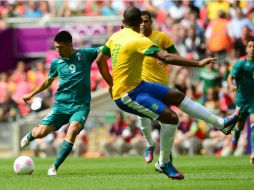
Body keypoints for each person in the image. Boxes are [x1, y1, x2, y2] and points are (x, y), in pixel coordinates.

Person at [96, 6, 240, 180]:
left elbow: (100, 60)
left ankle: (220, 123)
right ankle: (163, 162)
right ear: (140, 22)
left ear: (123, 22)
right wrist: (198, 63)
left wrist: (111, 83)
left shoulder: (115, 36)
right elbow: (166, 57)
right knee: (171, 117)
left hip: (139, 86)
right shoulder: (139, 39)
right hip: (128, 95)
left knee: (177, 96)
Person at [20, 31, 99, 176]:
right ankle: (31, 135)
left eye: (61, 48)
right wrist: (31, 94)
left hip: (80, 106)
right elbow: (47, 81)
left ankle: (53, 167)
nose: (58, 51)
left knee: (73, 128)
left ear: (70, 44)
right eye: (56, 48)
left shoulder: (85, 54)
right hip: (61, 105)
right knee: (41, 132)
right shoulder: (56, 63)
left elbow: (106, 49)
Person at [137, 10, 179, 164]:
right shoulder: (135, 39)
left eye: (146, 21)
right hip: (142, 86)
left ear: (151, 22)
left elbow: (176, 55)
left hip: (161, 87)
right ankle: (149, 145)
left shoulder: (161, 37)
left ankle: (166, 157)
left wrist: (168, 60)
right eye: (140, 21)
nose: (143, 24)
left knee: (166, 122)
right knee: (142, 116)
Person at [227, 37, 254, 163]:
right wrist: (232, 85)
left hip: (253, 99)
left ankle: (253, 152)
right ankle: (234, 141)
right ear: (246, 48)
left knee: (253, 125)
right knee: (239, 126)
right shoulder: (241, 64)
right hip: (242, 100)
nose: (252, 49)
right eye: (250, 46)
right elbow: (230, 77)